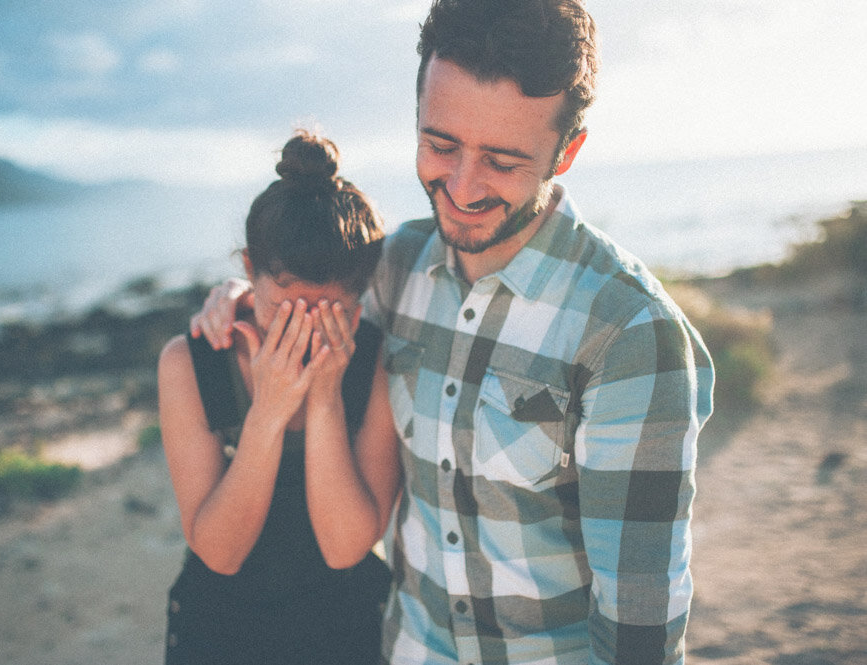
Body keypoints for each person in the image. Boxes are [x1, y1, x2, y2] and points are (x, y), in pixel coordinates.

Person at [191, 1, 716, 663]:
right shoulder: (394, 268)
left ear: (567, 150)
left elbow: (639, 626)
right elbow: (304, 280)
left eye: (501, 160)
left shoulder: (629, 335)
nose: (462, 187)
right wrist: (237, 295)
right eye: (440, 145)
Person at [158, 130, 401, 665]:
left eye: (326, 312)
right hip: (220, 627)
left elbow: (345, 549)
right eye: (284, 309)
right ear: (249, 269)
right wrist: (266, 413)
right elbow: (219, 552)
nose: (302, 333)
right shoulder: (192, 362)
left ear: (358, 308)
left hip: (345, 623)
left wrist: (323, 399)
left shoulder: (375, 362)